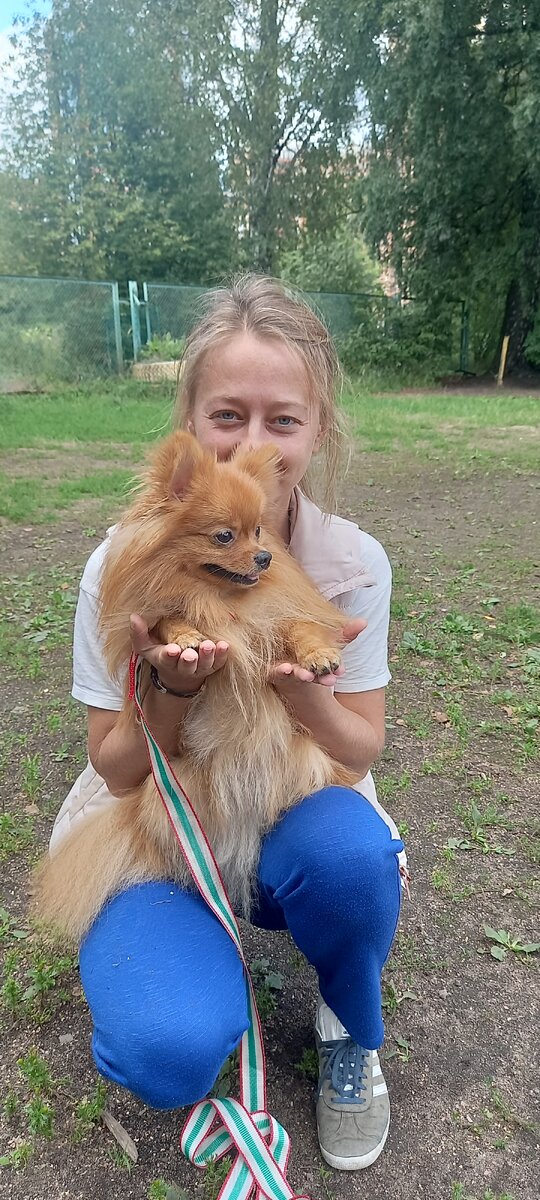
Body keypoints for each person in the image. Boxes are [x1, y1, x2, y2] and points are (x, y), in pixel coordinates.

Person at [51, 275, 407, 1173]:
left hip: (289, 801)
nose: (254, 442)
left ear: (317, 429)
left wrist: (307, 685)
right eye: (227, 414)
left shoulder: (353, 562)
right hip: (169, 809)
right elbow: (117, 767)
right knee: (166, 1045)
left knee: (351, 860)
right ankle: (192, 969)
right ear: (190, 424)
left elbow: (359, 745)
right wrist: (169, 690)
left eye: (282, 419)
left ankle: (347, 1023)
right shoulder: (122, 568)